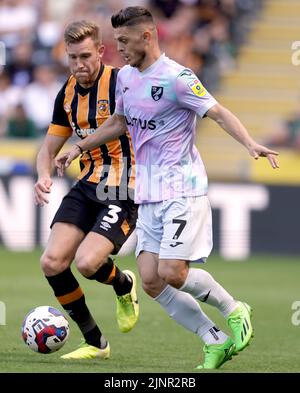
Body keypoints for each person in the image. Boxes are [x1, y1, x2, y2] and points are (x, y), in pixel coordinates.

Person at [55, 7, 279, 369]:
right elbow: (119, 122)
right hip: (148, 194)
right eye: (116, 43)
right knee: (151, 281)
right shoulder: (127, 77)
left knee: (173, 272)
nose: (119, 50)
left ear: (147, 36)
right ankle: (214, 339)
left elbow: (217, 111)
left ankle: (234, 308)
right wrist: (79, 147)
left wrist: (250, 143)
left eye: (125, 42)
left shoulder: (177, 78)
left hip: (181, 190)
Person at [34, 20, 139, 361]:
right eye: (72, 58)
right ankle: (95, 342)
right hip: (88, 184)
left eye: (85, 56)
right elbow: (48, 147)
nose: (79, 65)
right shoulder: (66, 93)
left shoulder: (121, 81)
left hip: (124, 185)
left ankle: (124, 285)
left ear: (100, 52)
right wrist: (42, 175)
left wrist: (79, 148)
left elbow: (121, 123)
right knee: (51, 262)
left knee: (88, 262)